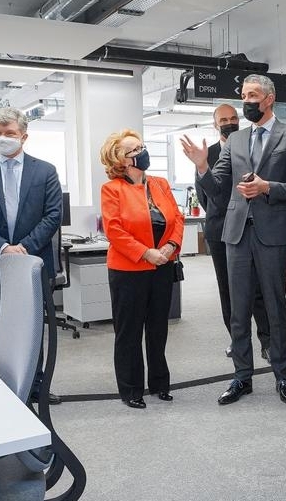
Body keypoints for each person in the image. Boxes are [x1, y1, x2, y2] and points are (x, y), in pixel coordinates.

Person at [181, 74, 286, 406]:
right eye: (243, 95)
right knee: (238, 308)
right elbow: (217, 189)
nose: (246, 101)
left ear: (269, 99)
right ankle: (242, 376)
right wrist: (202, 167)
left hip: (273, 234)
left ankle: (282, 375)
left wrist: (268, 187)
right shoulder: (237, 140)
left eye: (252, 95)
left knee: (274, 306)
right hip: (236, 233)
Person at [0, 107, 63, 404]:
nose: (3, 138)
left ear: (24, 136)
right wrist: (4, 248)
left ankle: (34, 385)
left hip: (32, 264)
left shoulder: (45, 171)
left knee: (31, 329)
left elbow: (52, 215)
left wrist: (24, 248)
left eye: (10, 133)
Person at [101, 129, 184, 409]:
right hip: (129, 270)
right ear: (121, 160)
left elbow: (177, 218)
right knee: (130, 331)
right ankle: (131, 389)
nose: (142, 152)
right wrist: (146, 253)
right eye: (134, 150)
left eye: (141, 146)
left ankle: (160, 383)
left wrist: (170, 247)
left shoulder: (160, 184)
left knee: (158, 328)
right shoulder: (112, 189)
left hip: (162, 266)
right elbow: (114, 230)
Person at [195, 103, 272, 362]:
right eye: (223, 120)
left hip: (252, 227)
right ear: (215, 125)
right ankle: (237, 341)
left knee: (258, 288)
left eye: (233, 118)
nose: (229, 123)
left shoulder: (252, 145)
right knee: (227, 290)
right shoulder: (208, 154)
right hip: (220, 230)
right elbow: (204, 195)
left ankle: (267, 341)